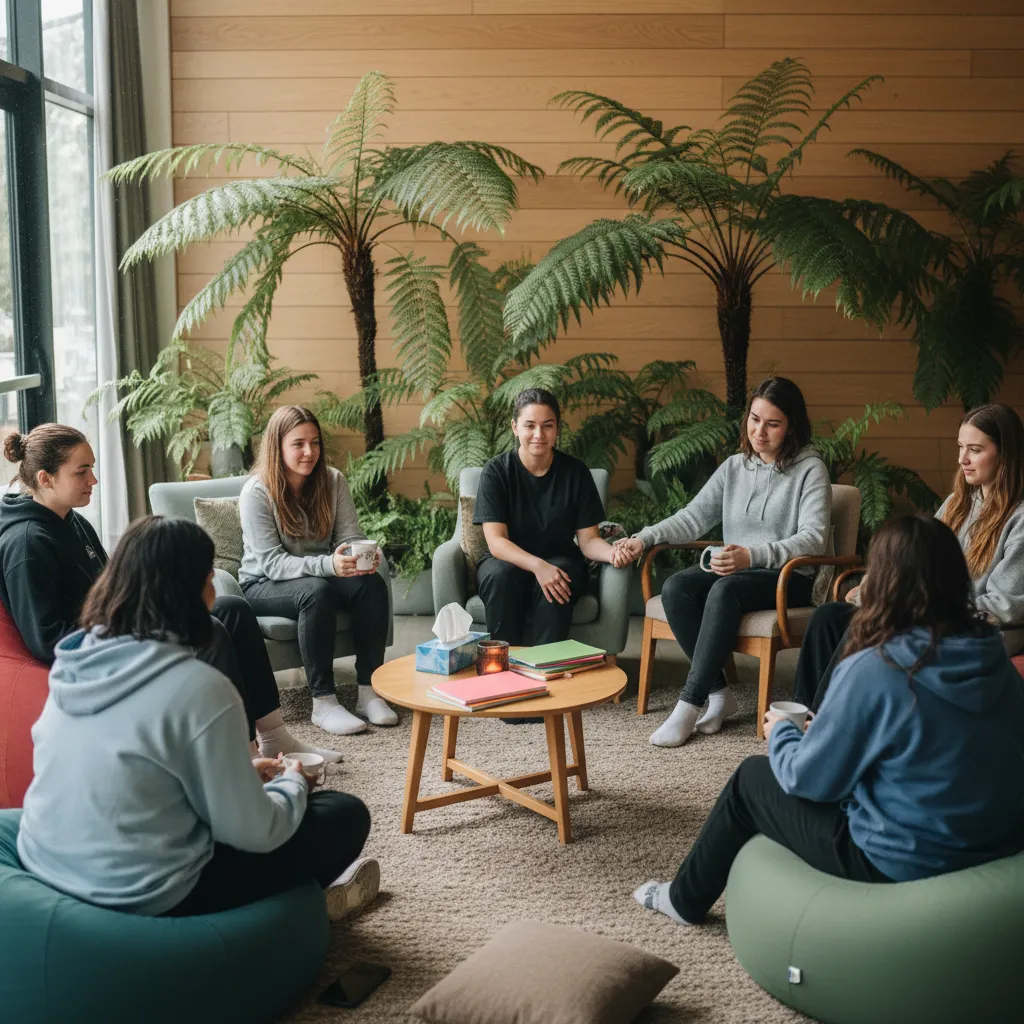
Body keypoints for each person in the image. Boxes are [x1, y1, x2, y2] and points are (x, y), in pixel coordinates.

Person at [633, 515, 1024, 927]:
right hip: (997, 839)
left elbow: (808, 781)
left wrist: (784, 733)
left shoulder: (878, 666)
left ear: (885, 580)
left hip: (904, 856)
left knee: (750, 780)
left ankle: (683, 900)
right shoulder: (991, 654)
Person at [17, 515, 378, 919]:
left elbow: (138, 762)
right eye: (209, 576)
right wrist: (292, 783)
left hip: (48, 866)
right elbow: (256, 831)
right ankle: (301, 910)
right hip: (149, 893)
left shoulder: (76, 659)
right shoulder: (200, 686)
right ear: (193, 590)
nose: (213, 587)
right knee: (343, 814)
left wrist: (241, 775)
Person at [0, 424, 331, 761]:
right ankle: (243, 755)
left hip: (121, 628)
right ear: (45, 479)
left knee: (233, 609)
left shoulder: (72, 521)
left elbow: (113, 588)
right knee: (211, 629)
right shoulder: (27, 543)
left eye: (93, 468)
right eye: (82, 471)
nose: (93, 480)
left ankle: (275, 737)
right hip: (103, 653)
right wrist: (135, 628)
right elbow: (47, 641)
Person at [614, 377, 831, 747]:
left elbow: (813, 538)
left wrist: (752, 555)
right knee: (677, 587)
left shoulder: (811, 470)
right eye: (755, 418)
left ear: (792, 425)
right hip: (740, 571)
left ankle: (689, 703)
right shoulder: (735, 467)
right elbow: (692, 517)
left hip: (786, 577)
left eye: (773, 423)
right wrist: (643, 538)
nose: (759, 431)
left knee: (724, 588)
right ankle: (719, 693)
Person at [793, 402, 1024, 711]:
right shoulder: (959, 502)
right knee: (828, 618)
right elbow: (916, 559)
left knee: (868, 626)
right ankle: (804, 712)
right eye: (960, 448)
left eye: (975, 450)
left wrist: (914, 605)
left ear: (1006, 454)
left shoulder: (1020, 518)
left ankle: (821, 727)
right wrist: (881, 589)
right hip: (931, 613)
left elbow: (1005, 606)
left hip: (981, 628)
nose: (962, 460)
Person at [239, 405, 397, 736]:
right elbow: (271, 562)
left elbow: (349, 537)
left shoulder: (332, 480)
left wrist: (361, 556)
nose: (309, 452)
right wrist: (328, 565)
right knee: (315, 591)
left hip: (320, 575)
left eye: (315, 442)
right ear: (277, 446)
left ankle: (368, 693)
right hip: (263, 584)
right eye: (298, 444)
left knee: (370, 585)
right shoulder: (257, 491)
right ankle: (324, 703)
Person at [473, 388, 620, 646]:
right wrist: (538, 566)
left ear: (557, 429)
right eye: (530, 425)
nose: (539, 435)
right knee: (500, 576)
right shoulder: (496, 472)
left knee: (560, 574)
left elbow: (588, 541)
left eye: (547, 426)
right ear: (515, 427)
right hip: (506, 560)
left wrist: (613, 554)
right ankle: (503, 666)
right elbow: (496, 542)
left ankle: (545, 667)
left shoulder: (576, 473)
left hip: (560, 559)